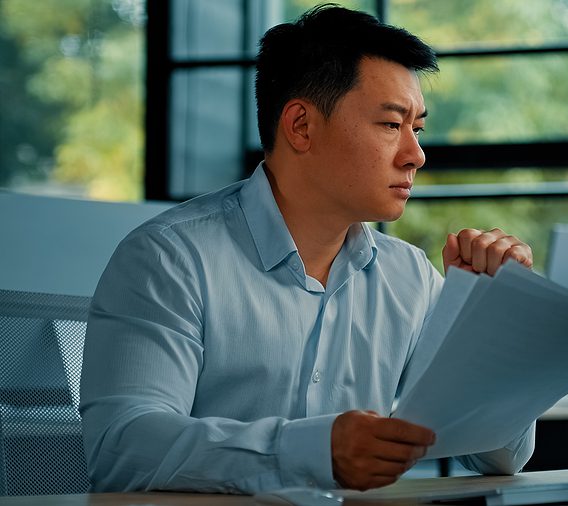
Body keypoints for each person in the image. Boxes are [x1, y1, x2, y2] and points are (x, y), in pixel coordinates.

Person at [79, 4, 536, 495]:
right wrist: (309, 451)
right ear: (300, 126)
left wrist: (487, 320)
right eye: (390, 125)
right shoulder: (170, 258)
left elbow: (499, 455)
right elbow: (122, 446)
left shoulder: (410, 275)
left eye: (416, 129)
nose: (416, 155)